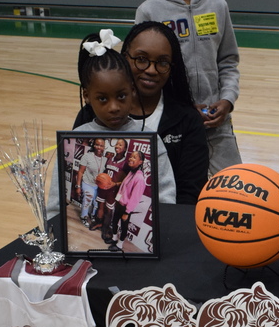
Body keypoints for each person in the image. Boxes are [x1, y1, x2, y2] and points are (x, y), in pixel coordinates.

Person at [135, 0, 241, 175]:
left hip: (217, 121)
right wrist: (180, 105)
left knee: (232, 187)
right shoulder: (149, 11)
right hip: (174, 122)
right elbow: (142, 73)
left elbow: (228, 60)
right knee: (184, 195)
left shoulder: (216, 4)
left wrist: (227, 100)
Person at [74, 21, 209, 204]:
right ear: (125, 57)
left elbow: (190, 193)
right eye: (141, 59)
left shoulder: (188, 120)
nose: (151, 70)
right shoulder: (89, 116)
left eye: (162, 63)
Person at [47, 31, 177, 219]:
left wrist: (162, 225)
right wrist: (55, 229)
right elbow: (57, 201)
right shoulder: (73, 139)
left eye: (121, 96)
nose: (114, 107)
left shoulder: (151, 139)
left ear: (132, 91)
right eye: (102, 99)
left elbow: (165, 195)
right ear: (86, 96)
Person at [109, 149, 147, 250]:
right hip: (119, 203)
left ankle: (119, 244)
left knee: (124, 226)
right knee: (115, 221)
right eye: (131, 156)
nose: (131, 159)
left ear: (140, 162)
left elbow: (135, 198)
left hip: (126, 207)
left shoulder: (139, 178)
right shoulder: (131, 172)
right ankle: (114, 238)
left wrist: (127, 212)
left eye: (134, 157)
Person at [74, 137, 107, 228]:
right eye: (97, 145)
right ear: (93, 145)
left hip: (99, 185)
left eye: (101, 146)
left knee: (97, 203)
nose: (99, 147)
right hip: (87, 182)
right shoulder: (87, 156)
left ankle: (93, 215)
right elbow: (80, 171)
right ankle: (84, 216)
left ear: (104, 147)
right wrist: (78, 186)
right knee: (88, 198)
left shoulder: (105, 160)